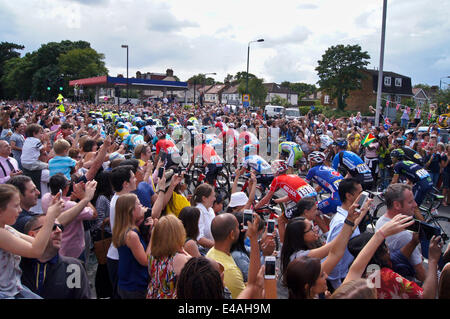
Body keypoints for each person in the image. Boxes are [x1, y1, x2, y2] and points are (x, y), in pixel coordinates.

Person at [280, 193, 371, 299]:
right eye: (310, 229)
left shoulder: (301, 250)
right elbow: (336, 247)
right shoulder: (302, 257)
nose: (315, 229)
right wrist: (352, 220)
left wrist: (357, 216)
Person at [345, 216, 442, 299]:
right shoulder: (385, 277)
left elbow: (398, 257)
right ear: (380, 254)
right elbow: (427, 296)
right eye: (384, 245)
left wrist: (413, 242)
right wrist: (433, 261)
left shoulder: (365, 271)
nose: (388, 247)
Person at [0, 183, 63, 299]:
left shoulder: (7, 228)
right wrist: (49, 218)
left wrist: (51, 215)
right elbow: (36, 251)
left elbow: (36, 242)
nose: (20, 210)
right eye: (15, 206)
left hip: (14, 289)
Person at [20, 215, 91, 299]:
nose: (59, 231)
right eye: (52, 227)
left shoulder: (72, 267)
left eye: (60, 227)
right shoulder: (16, 265)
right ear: (32, 235)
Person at [375, 183, 427, 282]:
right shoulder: (404, 236)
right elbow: (420, 273)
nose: (415, 205)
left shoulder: (381, 221)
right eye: (410, 202)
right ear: (397, 205)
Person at [255, 160, 317, 243]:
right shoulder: (293, 176)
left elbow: (266, 199)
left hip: (305, 203)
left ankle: (283, 247)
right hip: (313, 200)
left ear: (277, 171)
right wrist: (277, 201)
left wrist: (255, 207)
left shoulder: (277, 179)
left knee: (281, 220)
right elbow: (291, 196)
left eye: (273, 169)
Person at [325, 178, 368, 292]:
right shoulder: (341, 223)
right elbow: (336, 255)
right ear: (349, 196)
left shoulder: (347, 217)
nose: (364, 197)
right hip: (339, 281)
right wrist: (338, 287)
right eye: (360, 193)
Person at [41, 174, 96, 261]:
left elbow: (65, 206)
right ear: (66, 188)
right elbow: (93, 214)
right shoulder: (71, 205)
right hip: (73, 250)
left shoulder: (45, 198)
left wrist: (71, 199)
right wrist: (84, 197)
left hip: (56, 246)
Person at [106, 165, 138, 299]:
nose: (136, 179)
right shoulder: (122, 202)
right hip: (119, 257)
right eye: (133, 177)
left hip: (117, 255)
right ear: (126, 184)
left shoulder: (118, 198)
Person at [112, 193, 150, 299]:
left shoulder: (123, 229)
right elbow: (146, 261)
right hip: (135, 286)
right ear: (131, 210)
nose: (141, 205)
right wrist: (154, 236)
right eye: (138, 204)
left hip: (127, 283)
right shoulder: (131, 235)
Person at [147, 214, 191, 299]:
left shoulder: (151, 255)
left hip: (153, 295)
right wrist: (185, 253)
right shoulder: (179, 258)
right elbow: (199, 267)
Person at [206, 213, 246, 298]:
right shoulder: (230, 271)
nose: (239, 230)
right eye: (238, 227)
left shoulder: (211, 251)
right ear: (231, 235)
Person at [305, 151, 343, 216]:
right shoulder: (328, 168)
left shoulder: (312, 170)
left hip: (336, 197)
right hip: (345, 194)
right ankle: (328, 226)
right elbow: (321, 185)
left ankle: (321, 226)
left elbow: (304, 185)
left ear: (312, 162)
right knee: (327, 213)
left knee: (314, 211)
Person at [191, 183, 216, 255]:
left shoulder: (210, 210)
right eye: (212, 196)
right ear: (204, 198)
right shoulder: (198, 212)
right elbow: (199, 238)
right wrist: (218, 246)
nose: (214, 199)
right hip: (203, 251)